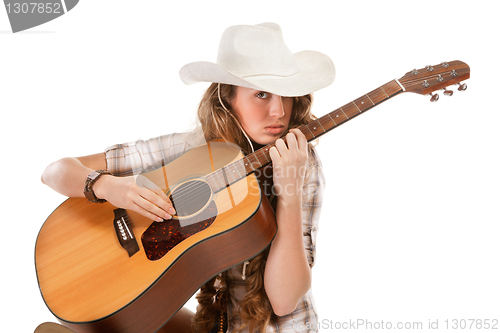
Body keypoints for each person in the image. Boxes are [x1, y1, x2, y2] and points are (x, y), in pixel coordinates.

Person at [41, 22, 335, 333]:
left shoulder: (301, 164)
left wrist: (288, 195)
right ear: (227, 99)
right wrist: (108, 186)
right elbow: (55, 173)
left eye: (285, 95)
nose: (278, 111)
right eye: (261, 94)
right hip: (214, 324)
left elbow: (284, 301)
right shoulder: (191, 150)